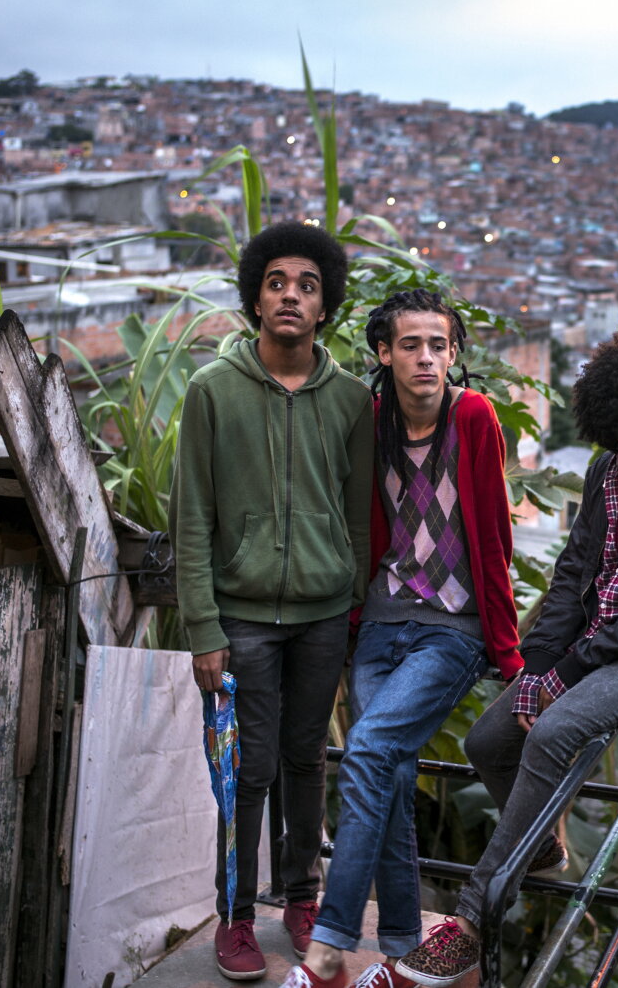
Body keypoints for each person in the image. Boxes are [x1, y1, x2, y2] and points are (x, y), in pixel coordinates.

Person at [394, 329, 618, 988]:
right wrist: (534, 674)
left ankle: (471, 922)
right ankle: (545, 845)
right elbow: (573, 579)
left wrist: (563, 678)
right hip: (611, 640)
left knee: (554, 731)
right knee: (488, 739)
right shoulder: (606, 475)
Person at [280, 290, 523, 988]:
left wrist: (507, 650)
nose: (427, 358)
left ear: (454, 354)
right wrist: (352, 627)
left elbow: (494, 538)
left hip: (453, 629)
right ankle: (400, 951)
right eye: (411, 344)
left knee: (371, 747)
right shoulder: (372, 420)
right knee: (384, 770)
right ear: (384, 352)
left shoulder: (473, 417)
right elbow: (361, 528)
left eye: (439, 345)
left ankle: (327, 949)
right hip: (382, 624)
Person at [171, 221, 374, 982]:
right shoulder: (211, 392)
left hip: (322, 615)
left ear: (326, 307)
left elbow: (356, 519)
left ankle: (302, 897)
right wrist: (203, 629)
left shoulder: (352, 399)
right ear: (256, 297)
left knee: (305, 759)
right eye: (278, 281)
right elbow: (192, 518)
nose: (292, 294)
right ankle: (235, 915)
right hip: (243, 617)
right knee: (245, 770)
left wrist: (351, 607)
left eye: (308, 285)